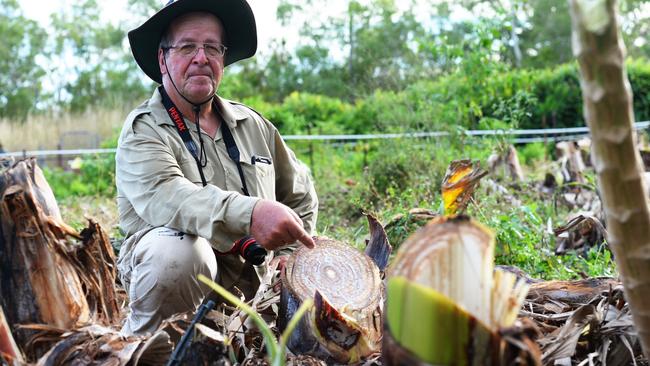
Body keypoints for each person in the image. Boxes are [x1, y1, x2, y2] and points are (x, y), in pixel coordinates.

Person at [115, 0, 318, 335]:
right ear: (162, 59)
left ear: (223, 58)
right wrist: (252, 213)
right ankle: (154, 349)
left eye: (212, 47)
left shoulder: (253, 125)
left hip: (255, 296)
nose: (201, 58)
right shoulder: (144, 130)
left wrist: (289, 254)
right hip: (180, 294)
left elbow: (301, 194)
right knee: (177, 253)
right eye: (187, 46)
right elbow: (168, 195)